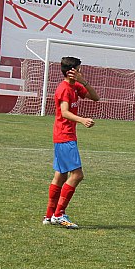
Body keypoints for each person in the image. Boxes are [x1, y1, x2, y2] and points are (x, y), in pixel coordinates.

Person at [43, 57, 100, 229]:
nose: (81, 72)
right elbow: (65, 112)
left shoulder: (75, 86)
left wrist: (84, 82)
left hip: (64, 136)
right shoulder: (64, 89)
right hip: (65, 136)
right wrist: (82, 120)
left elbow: (95, 98)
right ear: (71, 71)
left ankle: (49, 215)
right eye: (79, 70)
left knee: (60, 175)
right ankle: (59, 214)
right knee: (77, 175)